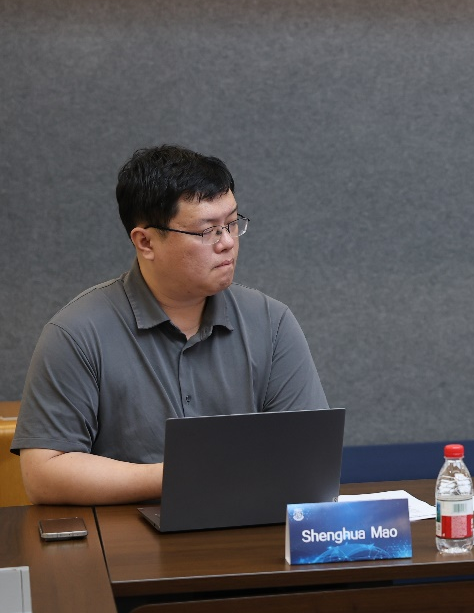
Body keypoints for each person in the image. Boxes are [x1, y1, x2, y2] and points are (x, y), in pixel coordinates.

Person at [13, 145, 328, 505]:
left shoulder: (272, 322)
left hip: (249, 530)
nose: (227, 243)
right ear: (145, 241)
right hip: (127, 535)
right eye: (208, 231)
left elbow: (311, 455)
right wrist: (183, 475)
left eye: (231, 223)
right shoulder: (77, 332)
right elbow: (44, 474)